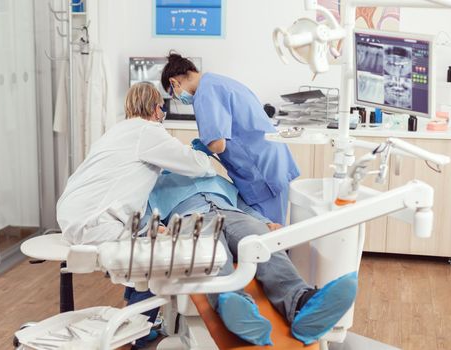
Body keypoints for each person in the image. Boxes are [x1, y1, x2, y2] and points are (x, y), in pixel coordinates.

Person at [126, 172, 358, 347]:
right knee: (212, 255)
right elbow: (146, 217)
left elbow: (242, 204)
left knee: (263, 244)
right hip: (192, 220)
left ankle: (302, 303)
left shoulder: (215, 177)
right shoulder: (155, 185)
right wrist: (157, 229)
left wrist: (265, 221)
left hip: (236, 216)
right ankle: (236, 308)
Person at [56, 82, 216, 245]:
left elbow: (131, 169)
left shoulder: (116, 130)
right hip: (92, 224)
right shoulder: (149, 131)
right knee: (159, 246)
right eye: (162, 109)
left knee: (147, 231)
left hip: (69, 213)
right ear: (155, 109)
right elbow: (199, 165)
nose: (163, 115)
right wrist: (205, 151)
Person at [161, 53, 300, 225]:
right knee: (271, 230)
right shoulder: (218, 82)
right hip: (270, 161)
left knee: (266, 235)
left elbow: (217, 144)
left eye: (174, 95)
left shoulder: (205, 93)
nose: (178, 99)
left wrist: (198, 151)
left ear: (174, 83)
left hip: (260, 172)